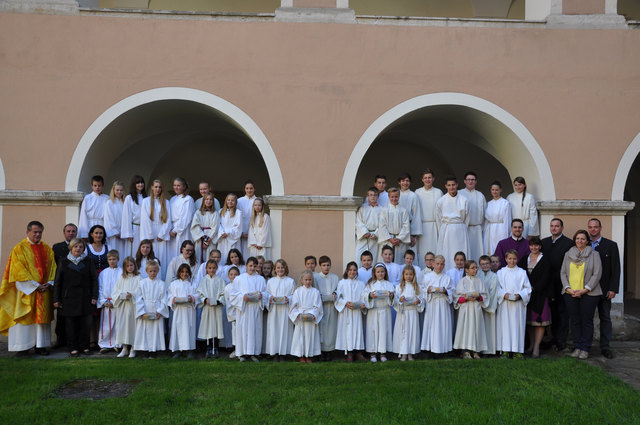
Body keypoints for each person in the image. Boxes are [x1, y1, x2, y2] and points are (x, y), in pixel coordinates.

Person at [0, 221, 57, 355]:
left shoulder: (47, 248)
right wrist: (35, 286)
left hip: (43, 290)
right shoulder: (19, 249)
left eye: (40, 232)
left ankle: (40, 346)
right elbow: (18, 270)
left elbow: (53, 268)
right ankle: (23, 347)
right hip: (26, 291)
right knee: (24, 318)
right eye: (35, 232)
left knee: (41, 321)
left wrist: (48, 283)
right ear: (28, 232)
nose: (37, 235)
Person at [53, 238, 99, 356]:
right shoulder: (64, 262)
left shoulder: (88, 261)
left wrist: (94, 295)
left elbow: (94, 279)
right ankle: (73, 347)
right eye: (76, 247)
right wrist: (56, 299)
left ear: (83, 249)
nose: (78, 249)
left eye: (80, 247)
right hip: (68, 299)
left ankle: (84, 346)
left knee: (86, 325)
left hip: (86, 298)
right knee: (70, 326)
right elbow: (58, 282)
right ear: (71, 248)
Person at [561, 230, 602, 360]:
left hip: (589, 293)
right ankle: (577, 346)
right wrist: (568, 288)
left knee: (586, 321)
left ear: (587, 241)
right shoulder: (568, 254)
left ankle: (585, 348)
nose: (580, 241)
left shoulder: (594, 254)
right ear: (574, 240)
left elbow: (597, 274)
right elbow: (563, 273)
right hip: (570, 293)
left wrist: (585, 289)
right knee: (574, 320)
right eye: (578, 238)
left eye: (583, 239)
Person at [587, 218, 621, 359]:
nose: (593, 229)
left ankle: (605, 347)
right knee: (587, 319)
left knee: (605, 318)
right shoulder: (583, 243)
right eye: (590, 227)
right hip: (587, 290)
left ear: (601, 228)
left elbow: (616, 269)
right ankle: (585, 346)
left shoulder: (611, 245)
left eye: (595, 227)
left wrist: (613, 289)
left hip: (605, 290)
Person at [541, 218, 573, 353]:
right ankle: (553, 338)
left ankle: (561, 340)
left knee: (562, 313)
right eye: (552, 226)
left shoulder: (568, 243)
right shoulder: (544, 242)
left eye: (557, 226)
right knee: (551, 312)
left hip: (562, 283)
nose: (554, 228)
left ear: (562, 228)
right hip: (548, 284)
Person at [518, 237, 551, 358]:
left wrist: (535, 288)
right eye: (532, 245)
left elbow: (546, 276)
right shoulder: (524, 259)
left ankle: (537, 347)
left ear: (540, 246)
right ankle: (531, 345)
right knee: (530, 322)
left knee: (540, 322)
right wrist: (526, 289)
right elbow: (520, 275)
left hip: (541, 295)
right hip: (528, 296)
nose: (534, 248)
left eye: (536, 245)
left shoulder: (545, 259)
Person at [230, 257, 267, 362]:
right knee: (243, 330)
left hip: (255, 309)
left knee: (255, 329)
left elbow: (265, 293)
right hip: (244, 309)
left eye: (254, 266)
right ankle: (242, 354)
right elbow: (233, 294)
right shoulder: (239, 279)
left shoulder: (260, 279)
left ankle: (254, 353)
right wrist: (243, 297)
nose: (252, 268)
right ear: (246, 266)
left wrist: (261, 296)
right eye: (250, 266)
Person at [496, 250, 532, 358]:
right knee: (505, 327)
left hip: (518, 305)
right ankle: (505, 350)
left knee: (517, 326)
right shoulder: (500, 272)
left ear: (517, 259)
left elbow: (528, 288)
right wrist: (504, 294)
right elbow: (497, 288)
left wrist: (520, 295)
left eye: (514, 259)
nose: (512, 261)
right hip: (505, 305)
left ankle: (517, 350)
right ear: (506, 259)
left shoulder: (522, 272)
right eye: (510, 258)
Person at [453, 260, 488, 359]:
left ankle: (476, 351)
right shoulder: (462, 281)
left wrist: (478, 297)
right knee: (466, 329)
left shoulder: (480, 281)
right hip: (466, 309)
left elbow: (485, 296)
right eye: (473, 268)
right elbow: (456, 298)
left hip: (476, 309)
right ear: (467, 270)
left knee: (476, 328)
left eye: (476, 267)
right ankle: (466, 351)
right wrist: (466, 298)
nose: (476, 269)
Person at [420, 255, 454, 357]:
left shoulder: (447, 278)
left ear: (444, 265)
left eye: (442, 264)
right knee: (431, 326)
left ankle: (443, 348)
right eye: (437, 264)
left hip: (443, 304)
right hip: (432, 304)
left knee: (442, 325)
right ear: (433, 264)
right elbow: (421, 290)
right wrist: (428, 290)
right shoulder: (427, 277)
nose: (439, 266)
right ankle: (430, 348)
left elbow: (452, 291)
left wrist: (446, 291)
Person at [134, 260, 168, 358]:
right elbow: (139, 298)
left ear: (158, 271)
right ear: (146, 271)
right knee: (144, 330)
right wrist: (141, 312)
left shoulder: (161, 283)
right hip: (145, 309)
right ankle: (145, 350)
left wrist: (160, 311)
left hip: (156, 309)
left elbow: (164, 299)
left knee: (155, 330)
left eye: (155, 271)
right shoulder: (142, 283)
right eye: (150, 271)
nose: (153, 273)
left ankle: (154, 350)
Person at [362, 263, 395, 362]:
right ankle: (373, 353)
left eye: (382, 272)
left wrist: (391, 296)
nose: (380, 274)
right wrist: (370, 296)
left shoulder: (389, 284)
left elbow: (394, 299)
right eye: (378, 272)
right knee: (373, 331)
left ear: (385, 272)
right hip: (373, 310)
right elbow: (364, 296)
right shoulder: (370, 285)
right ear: (374, 273)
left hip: (385, 310)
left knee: (384, 331)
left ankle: (383, 353)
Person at [51, 222, 78, 348]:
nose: (71, 233)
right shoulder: (57, 247)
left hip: (77, 287)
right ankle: (60, 341)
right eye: (68, 231)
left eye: (73, 231)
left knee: (76, 315)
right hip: (62, 285)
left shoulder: (80, 246)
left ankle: (74, 342)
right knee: (61, 316)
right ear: (64, 233)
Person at [436, 176, 470, 271]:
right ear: (446, 186)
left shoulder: (464, 200)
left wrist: (461, 227)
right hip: (446, 229)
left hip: (460, 229)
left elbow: (467, 218)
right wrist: (442, 230)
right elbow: (438, 218)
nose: (452, 187)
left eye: (453, 185)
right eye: (449, 185)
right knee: (447, 253)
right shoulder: (441, 201)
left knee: (461, 251)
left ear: (457, 185)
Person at [140, 180, 172, 280]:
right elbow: (145, 218)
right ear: (152, 188)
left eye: (160, 187)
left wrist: (161, 234)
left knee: (161, 257)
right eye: (156, 187)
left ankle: (160, 280)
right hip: (150, 232)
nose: (157, 189)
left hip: (161, 233)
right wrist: (150, 235)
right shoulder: (146, 201)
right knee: (149, 257)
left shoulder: (166, 202)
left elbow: (168, 219)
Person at [289, 270, 323, 363]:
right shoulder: (298, 291)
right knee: (300, 337)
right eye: (306, 280)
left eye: (310, 280)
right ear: (302, 280)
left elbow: (318, 306)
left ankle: (309, 355)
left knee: (310, 336)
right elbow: (293, 306)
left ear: (312, 280)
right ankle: (301, 355)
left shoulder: (315, 291)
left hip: (311, 318)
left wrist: (313, 314)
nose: (308, 282)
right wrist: (298, 315)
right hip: (301, 317)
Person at [335, 262, 366, 362]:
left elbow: (364, 297)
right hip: (346, 312)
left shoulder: (361, 284)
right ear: (346, 271)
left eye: (354, 270)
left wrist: (362, 304)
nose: (352, 272)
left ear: (357, 271)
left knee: (357, 331)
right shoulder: (342, 283)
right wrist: (345, 303)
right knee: (347, 332)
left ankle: (358, 352)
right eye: (350, 270)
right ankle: (349, 353)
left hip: (356, 311)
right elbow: (338, 298)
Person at [265, 259, 295, 361]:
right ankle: (274, 353)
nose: (280, 269)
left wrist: (288, 299)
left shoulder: (290, 281)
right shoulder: (271, 281)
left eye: (282, 267)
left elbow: (293, 296)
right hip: (274, 310)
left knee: (284, 329)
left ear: (285, 268)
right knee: (274, 330)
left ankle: (284, 353)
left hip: (285, 310)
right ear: (275, 269)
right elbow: (267, 294)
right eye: (278, 267)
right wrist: (270, 298)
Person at [393, 265, 424, 361]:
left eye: (410, 274)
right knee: (403, 333)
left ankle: (410, 353)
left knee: (412, 333)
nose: (408, 276)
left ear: (414, 275)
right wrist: (400, 301)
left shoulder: (417, 288)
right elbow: (395, 300)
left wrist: (419, 302)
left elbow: (422, 299)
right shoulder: (399, 287)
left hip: (413, 312)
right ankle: (403, 353)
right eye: (406, 274)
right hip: (403, 313)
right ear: (403, 275)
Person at [167, 264, 198, 359]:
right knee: (178, 329)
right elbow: (169, 296)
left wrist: (191, 298)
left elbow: (197, 295)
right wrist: (174, 299)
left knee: (189, 329)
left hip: (189, 311)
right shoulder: (174, 284)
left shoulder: (192, 284)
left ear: (189, 273)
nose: (184, 274)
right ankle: (177, 350)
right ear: (179, 273)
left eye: (186, 272)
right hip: (178, 311)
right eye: (182, 272)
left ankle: (189, 350)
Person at [197, 259, 226, 359]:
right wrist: (205, 300)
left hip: (216, 308)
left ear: (217, 268)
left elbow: (223, 293)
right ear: (206, 269)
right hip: (207, 308)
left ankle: (216, 348)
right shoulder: (203, 280)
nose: (212, 270)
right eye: (209, 268)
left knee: (216, 328)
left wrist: (219, 301)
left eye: (214, 268)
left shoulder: (220, 280)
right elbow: (199, 294)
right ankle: (208, 348)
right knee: (207, 327)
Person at [112, 256, 140, 358]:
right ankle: (124, 348)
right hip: (123, 306)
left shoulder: (138, 278)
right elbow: (115, 292)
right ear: (124, 267)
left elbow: (140, 292)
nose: (130, 267)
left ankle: (133, 348)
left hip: (133, 306)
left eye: (131, 265)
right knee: (123, 327)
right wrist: (121, 295)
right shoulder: (121, 278)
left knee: (133, 327)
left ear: (135, 266)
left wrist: (132, 294)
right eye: (127, 266)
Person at [415, 169, 443, 264]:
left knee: (435, 249)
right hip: (422, 226)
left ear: (433, 179)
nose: (428, 180)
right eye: (425, 178)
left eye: (429, 178)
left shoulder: (438, 192)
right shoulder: (417, 192)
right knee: (422, 251)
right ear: (422, 179)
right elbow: (415, 211)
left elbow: (441, 211)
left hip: (434, 225)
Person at [377, 187, 411, 264]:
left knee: (399, 261)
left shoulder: (403, 210)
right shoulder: (384, 210)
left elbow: (406, 226)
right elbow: (382, 226)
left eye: (396, 196)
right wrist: (390, 239)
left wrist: (399, 239)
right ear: (389, 197)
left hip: (400, 241)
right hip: (388, 240)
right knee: (386, 261)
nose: (394, 199)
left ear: (399, 197)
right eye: (392, 197)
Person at [459, 171, 486, 262]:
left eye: (473, 180)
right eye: (468, 180)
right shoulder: (459, 194)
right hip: (464, 229)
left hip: (477, 229)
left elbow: (484, 213)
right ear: (464, 181)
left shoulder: (480, 195)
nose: (470, 182)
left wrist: (481, 227)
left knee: (477, 252)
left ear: (476, 182)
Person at [97, 250, 120, 354]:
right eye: (110, 259)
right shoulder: (103, 273)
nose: (112, 261)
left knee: (117, 324)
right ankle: (104, 344)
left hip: (117, 303)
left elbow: (122, 288)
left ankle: (117, 344)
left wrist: (115, 301)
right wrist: (104, 302)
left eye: (114, 259)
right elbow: (100, 289)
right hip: (106, 303)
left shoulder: (122, 272)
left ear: (118, 259)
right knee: (105, 325)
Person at [316, 255, 339, 361]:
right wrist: (323, 298)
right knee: (321, 330)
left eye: (328, 265)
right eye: (324, 265)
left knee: (330, 329)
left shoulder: (335, 277)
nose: (326, 267)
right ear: (320, 266)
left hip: (331, 308)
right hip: (321, 308)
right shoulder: (316, 277)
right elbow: (315, 293)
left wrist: (334, 295)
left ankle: (329, 352)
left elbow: (338, 290)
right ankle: (321, 352)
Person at [168, 177, 195, 259]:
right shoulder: (172, 199)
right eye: (174, 185)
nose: (176, 187)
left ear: (184, 187)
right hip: (172, 229)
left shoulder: (188, 199)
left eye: (178, 185)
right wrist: (170, 228)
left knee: (182, 253)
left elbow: (186, 218)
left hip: (182, 230)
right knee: (173, 255)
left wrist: (176, 230)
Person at [121, 175, 147, 258]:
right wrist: (129, 233)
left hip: (145, 229)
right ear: (134, 184)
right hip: (134, 229)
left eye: (142, 182)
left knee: (144, 251)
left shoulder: (146, 198)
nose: (140, 184)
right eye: (138, 183)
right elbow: (126, 215)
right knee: (134, 252)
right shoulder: (129, 198)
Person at [483, 181, 511, 256]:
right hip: (490, 231)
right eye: (493, 190)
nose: (494, 192)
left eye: (496, 190)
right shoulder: (488, 204)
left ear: (500, 190)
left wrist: (506, 234)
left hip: (501, 229)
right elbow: (486, 221)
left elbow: (507, 220)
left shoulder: (505, 203)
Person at [190, 192, 220, 264]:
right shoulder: (198, 212)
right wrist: (202, 237)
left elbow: (215, 228)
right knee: (198, 258)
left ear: (213, 201)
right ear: (203, 201)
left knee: (210, 258)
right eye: (206, 199)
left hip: (210, 240)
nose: (208, 201)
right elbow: (195, 226)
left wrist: (207, 241)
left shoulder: (215, 213)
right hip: (200, 239)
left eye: (210, 199)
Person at [478, 255, 499, 356]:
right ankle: (480, 349)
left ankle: (490, 350)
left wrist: (487, 304)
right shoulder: (478, 276)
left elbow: (493, 292)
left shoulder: (494, 277)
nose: (485, 266)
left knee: (490, 328)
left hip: (489, 305)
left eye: (486, 263)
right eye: (482, 264)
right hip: (479, 306)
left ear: (490, 264)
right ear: (480, 265)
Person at [397, 173, 422, 255]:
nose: (405, 183)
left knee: (409, 255)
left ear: (410, 182)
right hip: (397, 230)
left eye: (407, 181)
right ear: (399, 182)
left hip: (409, 230)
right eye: (403, 181)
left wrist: (413, 235)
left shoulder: (413, 196)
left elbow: (416, 215)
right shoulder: (395, 195)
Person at [355, 187, 381, 265]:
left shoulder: (382, 209)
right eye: (371, 195)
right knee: (359, 256)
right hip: (363, 237)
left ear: (378, 196)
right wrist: (365, 232)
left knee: (373, 258)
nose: (373, 197)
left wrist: (376, 234)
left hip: (374, 238)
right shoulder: (362, 208)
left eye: (375, 195)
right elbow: (358, 221)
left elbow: (382, 224)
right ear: (367, 196)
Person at [103, 181, 126, 263]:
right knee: (114, 253)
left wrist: (124, 232)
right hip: (114, 235)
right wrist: (116, 232)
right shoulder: (110, 202)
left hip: (123, 234)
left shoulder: (125, 203)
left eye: (121, 190)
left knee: (123, 254)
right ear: (113, 190)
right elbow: (109, 219)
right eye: (117, 190)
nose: (119, 192)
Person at [217, 193, 242, 266]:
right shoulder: (220, 211)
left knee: (233, 256)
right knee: (223, 256)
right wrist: (222, 232)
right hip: (222, 238)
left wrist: (227, 233)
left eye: (232, 200)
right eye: (228, 200)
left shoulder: (238, 213)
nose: (230, 202)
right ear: (226, 201)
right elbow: (218, 224)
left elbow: (238, 226)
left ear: (236, 202)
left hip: (232, 239)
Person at [223, 266, 241, 358]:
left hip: (242, 313)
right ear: (228, 276)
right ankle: (236, 350)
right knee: (234, 333)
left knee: (241, 332)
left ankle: (242, 351)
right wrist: (232, 315)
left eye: (236, 274)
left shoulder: (241, 286)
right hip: (233, 314)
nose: (233, 276)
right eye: (231, 274)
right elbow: (228, 302)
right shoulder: (227, 288)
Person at [237, 180, 257, 259]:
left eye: (251, 188)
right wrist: (240, 232)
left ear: (254, 189)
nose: (249, 190)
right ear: (244, 189)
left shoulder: (257, 200)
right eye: (247, 188)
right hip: (241, 232)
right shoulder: (239, 201)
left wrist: (251, 233)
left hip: (253, 232)